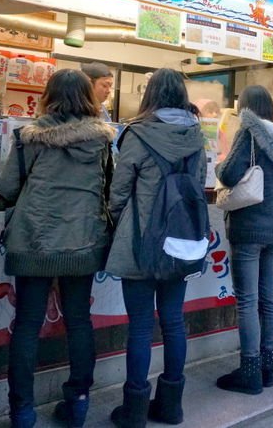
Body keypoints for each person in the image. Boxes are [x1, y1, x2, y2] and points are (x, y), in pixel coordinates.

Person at [0, 69, 115, 428]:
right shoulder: (103, 142)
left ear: (48, 95)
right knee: (79, 321)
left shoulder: (27, 138)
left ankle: (22, 412)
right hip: (83, 241)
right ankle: (78, 404)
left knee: (27, 325)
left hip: (33, 239)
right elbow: (111, 190)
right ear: (88, 98)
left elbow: (7, 188)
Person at [105, 69, 205, 427]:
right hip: (180, 242)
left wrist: (116, 219)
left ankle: (133, 412)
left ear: (150, 94)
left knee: (142, 327)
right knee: (175, 321)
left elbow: (119, 190)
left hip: (139, 241)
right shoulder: (197, 136)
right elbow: (200, 184)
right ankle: (171, 406)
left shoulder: (137, 133)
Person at [215, 86, 273, 394]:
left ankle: (250, 371)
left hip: (250, 227)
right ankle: (267, 369)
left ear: (245, 107)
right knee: (268, 297)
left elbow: (228, 175)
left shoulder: (250, 132)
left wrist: (220, 161)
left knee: (247, 301)